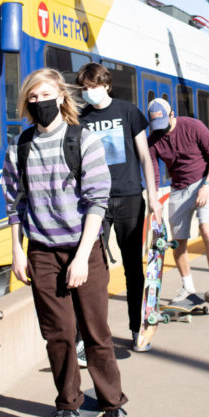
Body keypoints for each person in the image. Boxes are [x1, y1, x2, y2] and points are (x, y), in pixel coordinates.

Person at [2, 68, 128, 417]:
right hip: (42, 251)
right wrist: (17, 250)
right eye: (33, 98)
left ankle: (113, 405)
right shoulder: (19, 146)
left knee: (95, 334)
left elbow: (97, 202)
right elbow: (14, 203)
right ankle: (67, 404)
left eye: (45, 95)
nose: (39, 102)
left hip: (83, 248)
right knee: (57, 334)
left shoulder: (82, 140)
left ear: (60, 96)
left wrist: (82, 256)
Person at [75, 63, 162, 351]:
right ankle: (92, 338)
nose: (90, 93)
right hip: (95, 200)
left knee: (133, 268)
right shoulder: (80, 118)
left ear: (106, 84)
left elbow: (145, 157)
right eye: (85, 88)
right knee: (94, 270)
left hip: (129, 197)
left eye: (93, 86)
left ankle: (138, 330)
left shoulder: (128, 112)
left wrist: (153, 197)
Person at [145, 98, 209, 308]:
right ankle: (187, 287)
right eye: (156, 128)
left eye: (164, 125)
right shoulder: (153, 139)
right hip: (178, 189)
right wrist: (153, 200)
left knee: (207, 230)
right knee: (178, 241)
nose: (161, 131)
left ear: (172, 114)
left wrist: (207, 185)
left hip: (203, 183)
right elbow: (153, 173)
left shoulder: (194, 126)